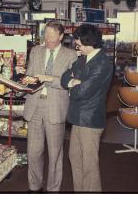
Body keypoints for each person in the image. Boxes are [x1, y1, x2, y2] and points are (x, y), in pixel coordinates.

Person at [23, 21, 77, 192]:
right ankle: (34, 187)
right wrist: (26, 80)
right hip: (34, 106)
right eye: (45, 35)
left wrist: (47, 78)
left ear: (61, 37)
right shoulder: (36, 51)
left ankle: (53, 189)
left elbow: (70, 83)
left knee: (55, 154)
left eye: (52, 37)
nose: (47, 40)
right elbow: (30, 74)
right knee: (33, 152)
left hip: (56, 108)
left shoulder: (71, 55)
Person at [61, 24, 113, 192]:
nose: (77, 47)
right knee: (75, 158)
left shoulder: (103, 63)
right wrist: (73, 82)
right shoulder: (83, 58)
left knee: (89, 165)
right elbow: (64, 77)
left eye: (79, 44)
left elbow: (81, 92)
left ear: (89, 42)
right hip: (78, 118)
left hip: (90, 121)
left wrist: (76, 84)